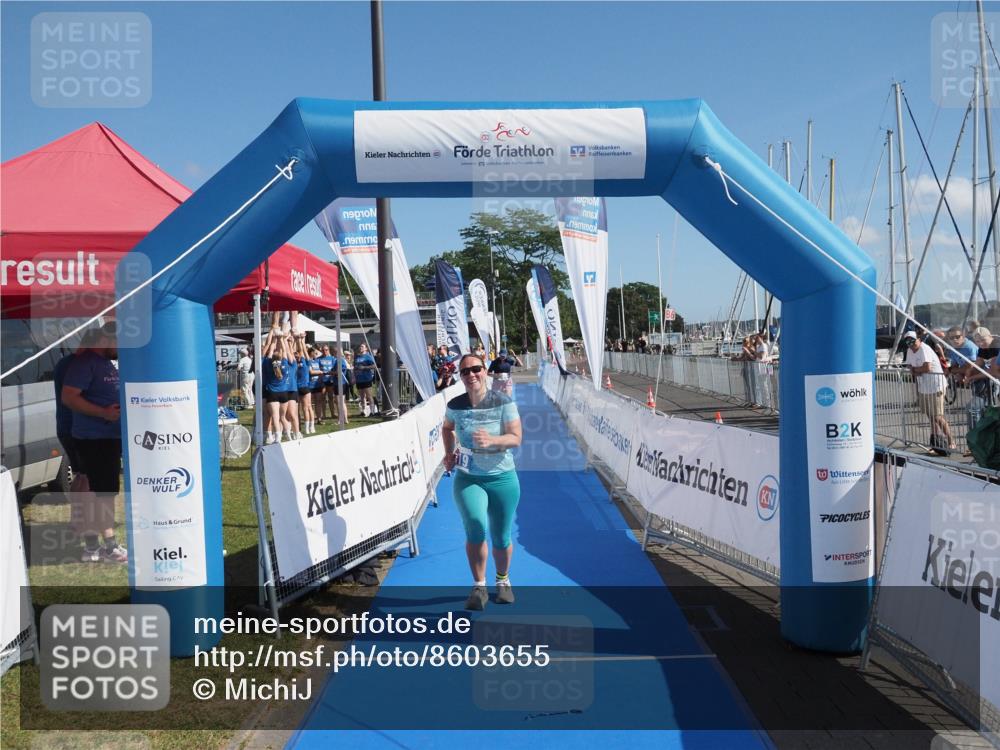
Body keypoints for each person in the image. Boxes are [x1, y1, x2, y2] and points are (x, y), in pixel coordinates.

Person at [442, 353, 523, 611]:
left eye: (476, 369)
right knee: (476, 526)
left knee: (501, 535)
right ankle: (479, 585)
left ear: (485, 372)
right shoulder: (455, 404)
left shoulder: (503, 402)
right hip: (468, 478)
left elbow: (516, 437)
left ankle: (503, 580)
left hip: (502, 478)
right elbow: (446, 428)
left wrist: (493, 441)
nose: (471, 375)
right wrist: (449, 452)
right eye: (465, 372)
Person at [61, 322, 127, 563]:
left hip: (105, 437)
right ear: (107, 338)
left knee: (97, 492)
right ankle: (110, 547)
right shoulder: (85, 362)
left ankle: (92, 547)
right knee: (103, 493)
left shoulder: (103, 362)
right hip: (95, 438)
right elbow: (68, 397)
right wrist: (103, 413)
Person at [903, 330, 954, 451]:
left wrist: (916, 371)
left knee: (937, 416)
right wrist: (916, 371)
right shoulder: (910, 350)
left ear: (918, 340)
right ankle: (936, 442)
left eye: (912, 340)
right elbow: (910, 367)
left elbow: (927, 367)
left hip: (936, 386)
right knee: (930, 416)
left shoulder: (924, 349)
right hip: (924, 387)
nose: (910, 344)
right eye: (908, 341)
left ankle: (952, 441)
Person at [354, 343, 377, 417]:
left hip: (367, 379)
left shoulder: (368, 357)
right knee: (362, 397)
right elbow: (355, 367)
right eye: (360, 346)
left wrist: (364, 368)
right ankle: (363, 411)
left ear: (366, 348)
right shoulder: (357, 357)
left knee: (369, 396)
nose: (360, 348)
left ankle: (372, 412)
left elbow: (374, 366)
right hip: (359, 379)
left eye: (362, 346)